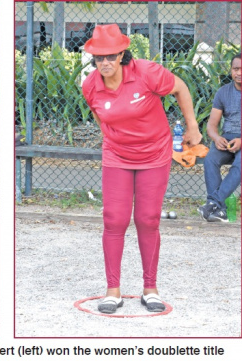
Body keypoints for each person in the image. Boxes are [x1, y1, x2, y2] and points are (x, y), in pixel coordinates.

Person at [81, 24, 202, 314]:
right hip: (117, 156)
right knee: (114, 219)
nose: (105, 63)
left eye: (111, 56)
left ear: (122, 53)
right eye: (99, 58)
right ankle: (113, 291)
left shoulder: (147, 72)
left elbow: (181, 88)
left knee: (147, 219)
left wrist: (192, 127)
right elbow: (101, 119)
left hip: (154, 154)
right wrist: (113, 140)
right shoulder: (90, 86)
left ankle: (151, 289)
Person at [198, 53, 241, 222]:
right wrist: (216, 138)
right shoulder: (223, 92)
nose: (239, 73)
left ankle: (213, 203)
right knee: (210, 160)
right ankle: (219, 210)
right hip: (227, 138)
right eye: (236, 69)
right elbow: (211, 125)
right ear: (231, 70)